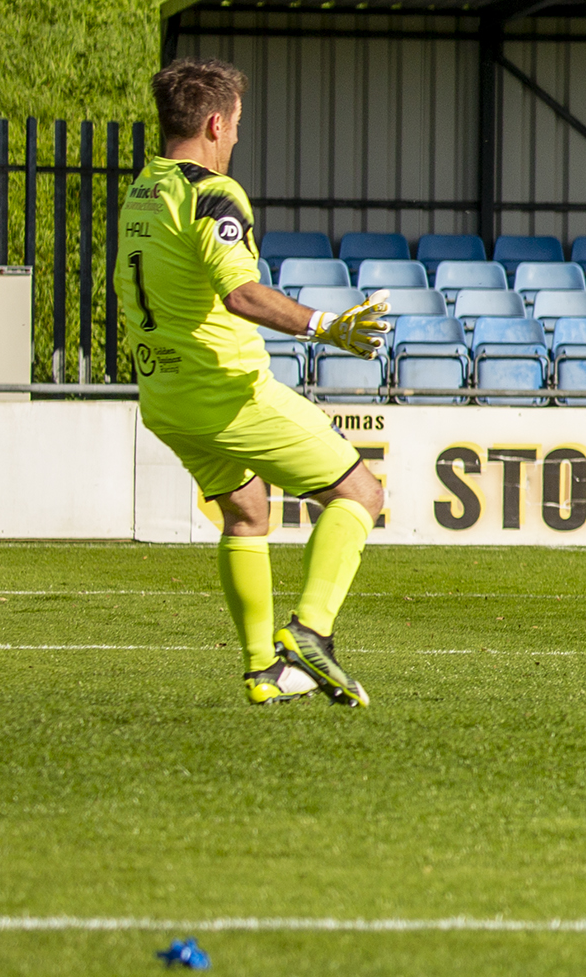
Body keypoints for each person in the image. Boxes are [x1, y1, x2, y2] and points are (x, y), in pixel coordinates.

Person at [116, 58, 391, 706]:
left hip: (164, 396)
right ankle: (310, 634)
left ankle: (262, 671)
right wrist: (326, 324)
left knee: (246, 512)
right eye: (236, 125)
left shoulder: (144, 190)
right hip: (228, 391)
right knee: (363, 493)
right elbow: (240, 295)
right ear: (216, 122)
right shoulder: (213, 193)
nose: (237, 137)